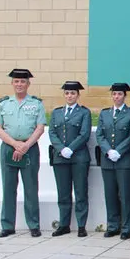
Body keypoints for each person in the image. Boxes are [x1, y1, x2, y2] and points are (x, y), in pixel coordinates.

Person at [0, 69, 46, 238]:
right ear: (12, 83)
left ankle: (34, 225)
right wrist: (16, 144)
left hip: (30, 148)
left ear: (28, 84)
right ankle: (7, 225)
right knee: (8, 188)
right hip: (9, 147)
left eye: (23, 82)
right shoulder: (3, 103)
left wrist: (25, 146)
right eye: (16, 81)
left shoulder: (36, 104)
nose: (19, 84)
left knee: (31, 188)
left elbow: (40, 128)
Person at [96, 83, 130, 240]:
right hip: (108, 160)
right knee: (110, 194)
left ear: (124, 96)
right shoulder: (105, 113)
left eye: (119, 94)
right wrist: (108, 150)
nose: (116, 97)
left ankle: (127, 227)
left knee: (125, 195)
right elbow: (100, 135)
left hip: (124, 160)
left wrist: (119, 151)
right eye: (114, 94)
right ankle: (113, 225)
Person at [49, 81, 92, 237]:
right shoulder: (57, 112)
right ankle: (64, 224)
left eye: (73, 93)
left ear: (78, 95)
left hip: (79, 157)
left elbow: (84, 134)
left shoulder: (84, 113)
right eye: (67, 93)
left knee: (80, 191)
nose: (69, 96)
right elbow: (52, 133)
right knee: (63, 192)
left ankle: (81, 225)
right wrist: (61, 149)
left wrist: (71, 148)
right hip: (60, 157)